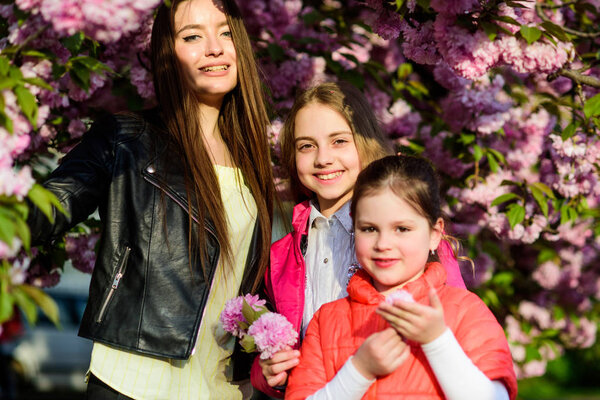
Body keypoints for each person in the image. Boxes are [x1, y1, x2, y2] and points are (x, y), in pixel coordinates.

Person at [26, 0, 276, 399]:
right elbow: (46, 209)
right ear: (167, 56)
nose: (214, 47)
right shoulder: (130, 138)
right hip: (133, 380)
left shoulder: (254, 158)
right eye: (192, 36)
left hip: (219, 388)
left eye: (226, 32)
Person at [250, 83, 466, 398]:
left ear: (365, 143)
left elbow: (457, 334)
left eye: (339, 141)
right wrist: (268, 371)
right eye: (306, 146)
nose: (323, 158)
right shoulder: (282, 255)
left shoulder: (409, 235)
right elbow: (274, 353)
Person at [284, 155, 518, 400]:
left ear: (434, 234)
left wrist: (437, 341)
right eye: (369, 229)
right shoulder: (327, 320)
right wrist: (358, 371)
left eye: (402, 229)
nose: (383, 244)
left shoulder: (465, 311)